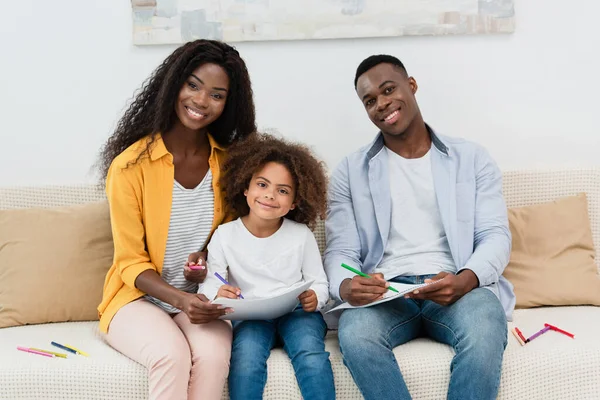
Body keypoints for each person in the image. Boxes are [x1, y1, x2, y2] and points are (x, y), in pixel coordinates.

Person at [324, 54, 514, 400]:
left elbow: (495, 236)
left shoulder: (472, 158)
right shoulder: (350, 172)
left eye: (388, 89)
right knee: (356, 335)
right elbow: (340, 251)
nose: (382, 104)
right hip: (386, 294)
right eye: (370, 101)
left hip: (457, 285)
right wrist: (347, 285)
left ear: (411, 85)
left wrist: (466, 279)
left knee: (486, 328)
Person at [96, 39, 256, 400]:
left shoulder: (230, 165)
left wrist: (204, 263)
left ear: (229, 103)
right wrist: (180, 300)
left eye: (217, 94)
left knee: (214, 357)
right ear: (174, 84)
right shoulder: (130, 167)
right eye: (193, 85)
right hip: (135, 300)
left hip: (199, 297)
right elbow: (130, 262)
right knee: (171, 355)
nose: (201, 101)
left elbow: (229, 241)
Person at [199, 133, 335, 400]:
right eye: (262, 184)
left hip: (296, 313)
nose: (270, 195)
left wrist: (314, 298)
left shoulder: (301, 235)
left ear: (294, 202)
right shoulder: (225, 235)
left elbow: (319, 282)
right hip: (250, 315)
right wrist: (218, 293)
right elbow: (211, 280)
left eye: (283, 191)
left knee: (311, 355)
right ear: (246, 188)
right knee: (246, 361)